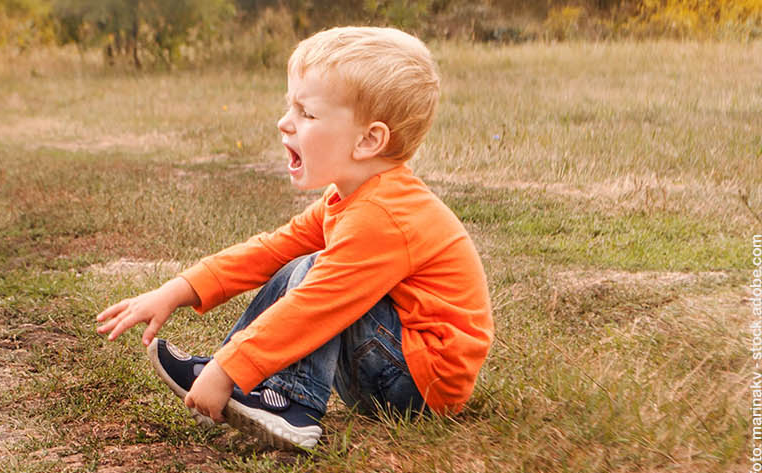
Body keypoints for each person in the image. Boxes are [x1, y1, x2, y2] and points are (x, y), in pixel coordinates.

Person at [95, 26, 494, 449]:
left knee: (316, 272)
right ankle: (246, 383)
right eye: (291, 106)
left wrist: (228, 369)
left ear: (368, 140)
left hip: (419, 383)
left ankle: (291, 403)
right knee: (295, 264)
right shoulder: (352, 198)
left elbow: (316, 305)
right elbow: (271, 250)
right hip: (391, 365)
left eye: (307, 113)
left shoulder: (384, 216)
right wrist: (178, 290)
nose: (284, 122)